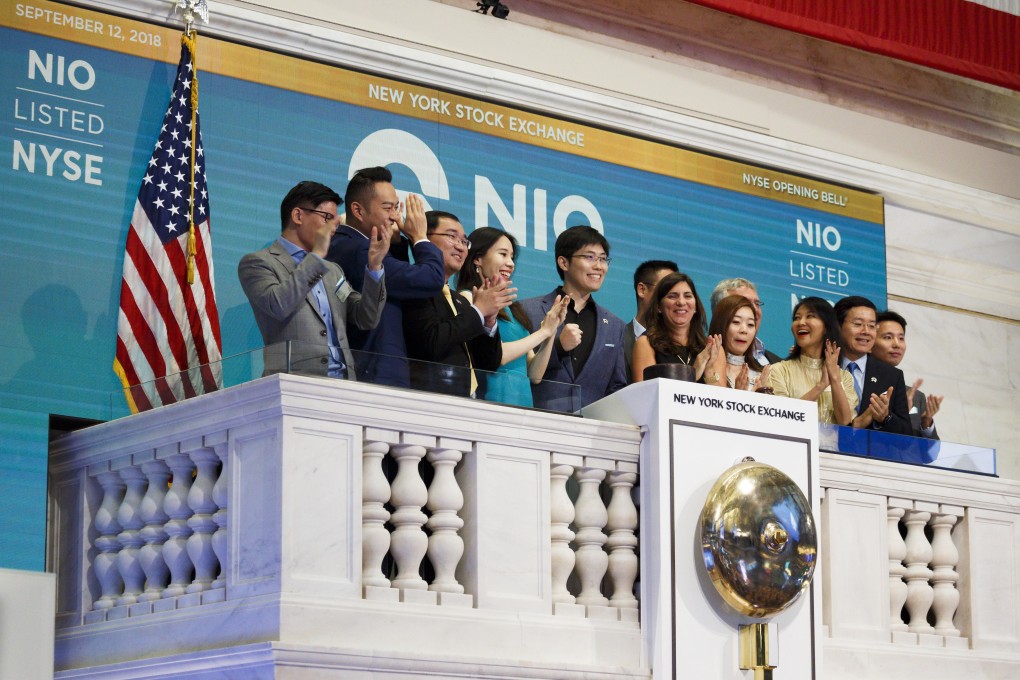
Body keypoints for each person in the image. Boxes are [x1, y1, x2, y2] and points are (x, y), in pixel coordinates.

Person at [238, 180, 388, 377]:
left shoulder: (332, 270)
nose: (334, 227)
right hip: (294, 383)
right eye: (327, 217)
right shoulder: (258, 263)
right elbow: (278, 304)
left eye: (336, 220)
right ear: (298, 215)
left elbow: (366, 318)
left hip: (344, 385)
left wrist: (375, 268)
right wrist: (316, 256)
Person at [326, 166, 445, 387]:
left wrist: (398, 243)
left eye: (397, 207)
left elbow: (395, 287)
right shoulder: (359, 249)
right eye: (387, 208)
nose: (395, 216)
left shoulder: (345, 244)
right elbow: (431, 279)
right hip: (376, 372)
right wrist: (419, 237)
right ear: (358, 210)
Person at [455, 227, 570, 407]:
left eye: (511, 256)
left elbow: (534, 374)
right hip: (489, 404)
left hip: (523, 408)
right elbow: (496, 355)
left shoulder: (513, 309)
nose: (510, 263)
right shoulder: (468, 297)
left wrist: (551, 330)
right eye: (503, 254)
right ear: (477, 259)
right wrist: (542, 332)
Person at [403, 211, 513, 397]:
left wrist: (489, 322)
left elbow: (488, 363)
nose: (461, 247)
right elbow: (432, 341)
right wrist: (478, 310)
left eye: (464, 241)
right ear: (424, 237)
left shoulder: (460, 301)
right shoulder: (413, 285)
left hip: (467, 406)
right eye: (452, 237)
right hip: (428, 402)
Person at [520, 226, 627, 412]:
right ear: (564, 262)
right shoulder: (527, 310)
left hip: (593, 434)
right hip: (536, 425)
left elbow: (616, 388)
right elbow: (520, 374)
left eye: (602, 259)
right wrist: (558, 348)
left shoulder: (615, 326)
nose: (599, 266)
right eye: (589, 257)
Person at [767, 297, 857, 425]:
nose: (801, 322)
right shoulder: (779, 370)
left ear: (826, 326)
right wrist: (820, 386)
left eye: (810, 316)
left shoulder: (845, 377)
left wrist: (835, 380)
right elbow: (783, 418)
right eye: (797, 318)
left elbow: (845, 421)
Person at [834, 296, 912, 434]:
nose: (866, 331)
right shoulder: (823, 365)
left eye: (871, 326)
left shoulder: (892, 376)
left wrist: (885, 417)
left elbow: (906, 435)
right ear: (838, 326)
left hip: (871, 454)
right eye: (858, 324)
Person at [631, 272, 718, 384]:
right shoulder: (646, 344)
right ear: (658, 307)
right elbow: (647, 395)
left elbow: (720, 399)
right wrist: (693, 374)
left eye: (687, 296)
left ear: (695, 306)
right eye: (672, 296)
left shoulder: (709, 348)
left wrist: (710, 372)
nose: (681, 302)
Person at [872, 310, 942, 439]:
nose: (897, 344)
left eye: (901, 338)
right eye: (888, 337)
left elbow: (929, 456)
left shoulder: (917, 397)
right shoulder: (857, 382)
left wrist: (926, 422)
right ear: (870, 342)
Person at [710, 277, 783, 365]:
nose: (754, 309)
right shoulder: (698, 359)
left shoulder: (779, 364)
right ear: (719, 312)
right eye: (744, 302)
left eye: (757, 303)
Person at [705, 294, 771, 391]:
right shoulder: (703, 365)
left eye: (750, 324)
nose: (744, 330)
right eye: (736, 322)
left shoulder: (761, 377)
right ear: (721, 324)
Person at [625, 260, 679, 377]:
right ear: (642, 290)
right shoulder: (617, 339)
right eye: (665, 289)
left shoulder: (683, 347)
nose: (674, 299)